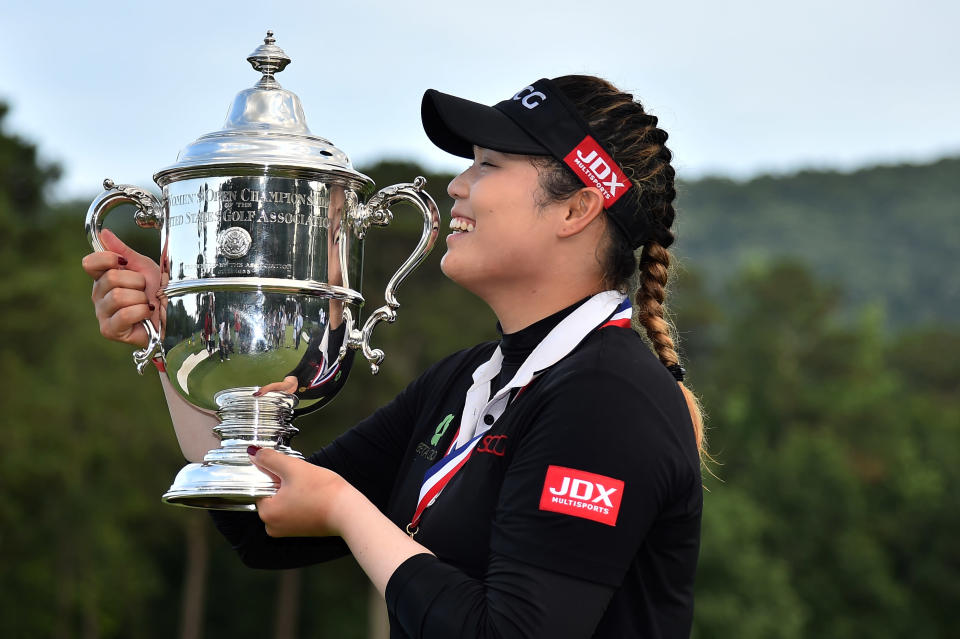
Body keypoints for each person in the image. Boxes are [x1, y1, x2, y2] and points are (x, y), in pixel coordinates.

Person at [82, 75, 705, 638]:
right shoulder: (464, 381)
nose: (457, 185)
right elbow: (260, 524)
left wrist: (345, 510)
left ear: (577, 207)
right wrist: (180, 336)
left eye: (488, 164)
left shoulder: (609, 399)